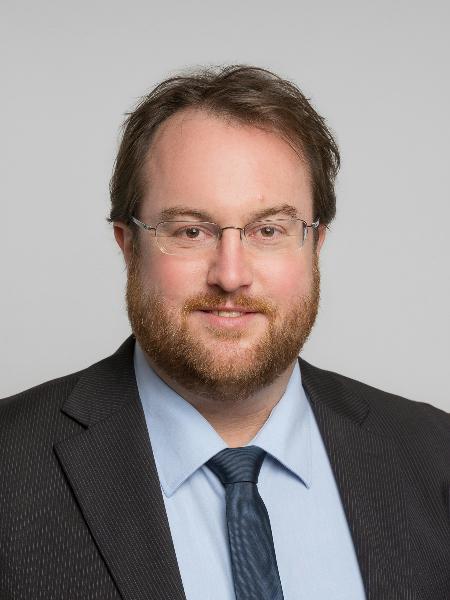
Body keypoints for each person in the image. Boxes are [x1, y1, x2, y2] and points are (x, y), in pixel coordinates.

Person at [0, 66, 448, 600]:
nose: (231, 276)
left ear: (316, 244)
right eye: (190, 231)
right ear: (128, 245)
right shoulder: (11, 468)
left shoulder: (433, 454)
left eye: (269, 230)